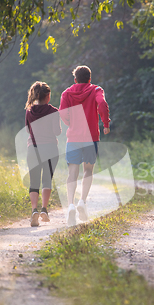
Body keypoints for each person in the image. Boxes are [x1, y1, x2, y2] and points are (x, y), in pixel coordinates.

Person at [59, 65, 110, 226]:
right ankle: (82, 201)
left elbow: (62, 112)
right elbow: (102, 104)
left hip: (73, 138)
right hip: (91, 138)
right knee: (88, 170)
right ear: (90, 78)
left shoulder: (67, 93)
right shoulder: (96, 90)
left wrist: (70, 123)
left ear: (75, 79)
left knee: (72, 172)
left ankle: (71, 205)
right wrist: (106, 123)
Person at [25, 81, 62, 227]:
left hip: (33, 149)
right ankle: (44, 210)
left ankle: (34, 210)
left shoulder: (29, 111)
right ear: (48, 96)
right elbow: (57, 132)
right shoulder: (53, 111)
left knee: (34, 181)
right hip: (50, 148)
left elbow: (28, 130)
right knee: (47, 179)